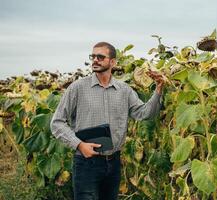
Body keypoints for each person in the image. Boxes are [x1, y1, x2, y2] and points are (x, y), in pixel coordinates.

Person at [50, 42, 164, 200]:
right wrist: (79, 145)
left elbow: (143, 113)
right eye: (93, 56)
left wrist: (158, 89)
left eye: (100, 57)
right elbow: (57, 123)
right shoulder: (77, 88)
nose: (95, 60)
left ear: (113, 62)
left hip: (113, 162)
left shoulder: (124, 90)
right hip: (86, 163)